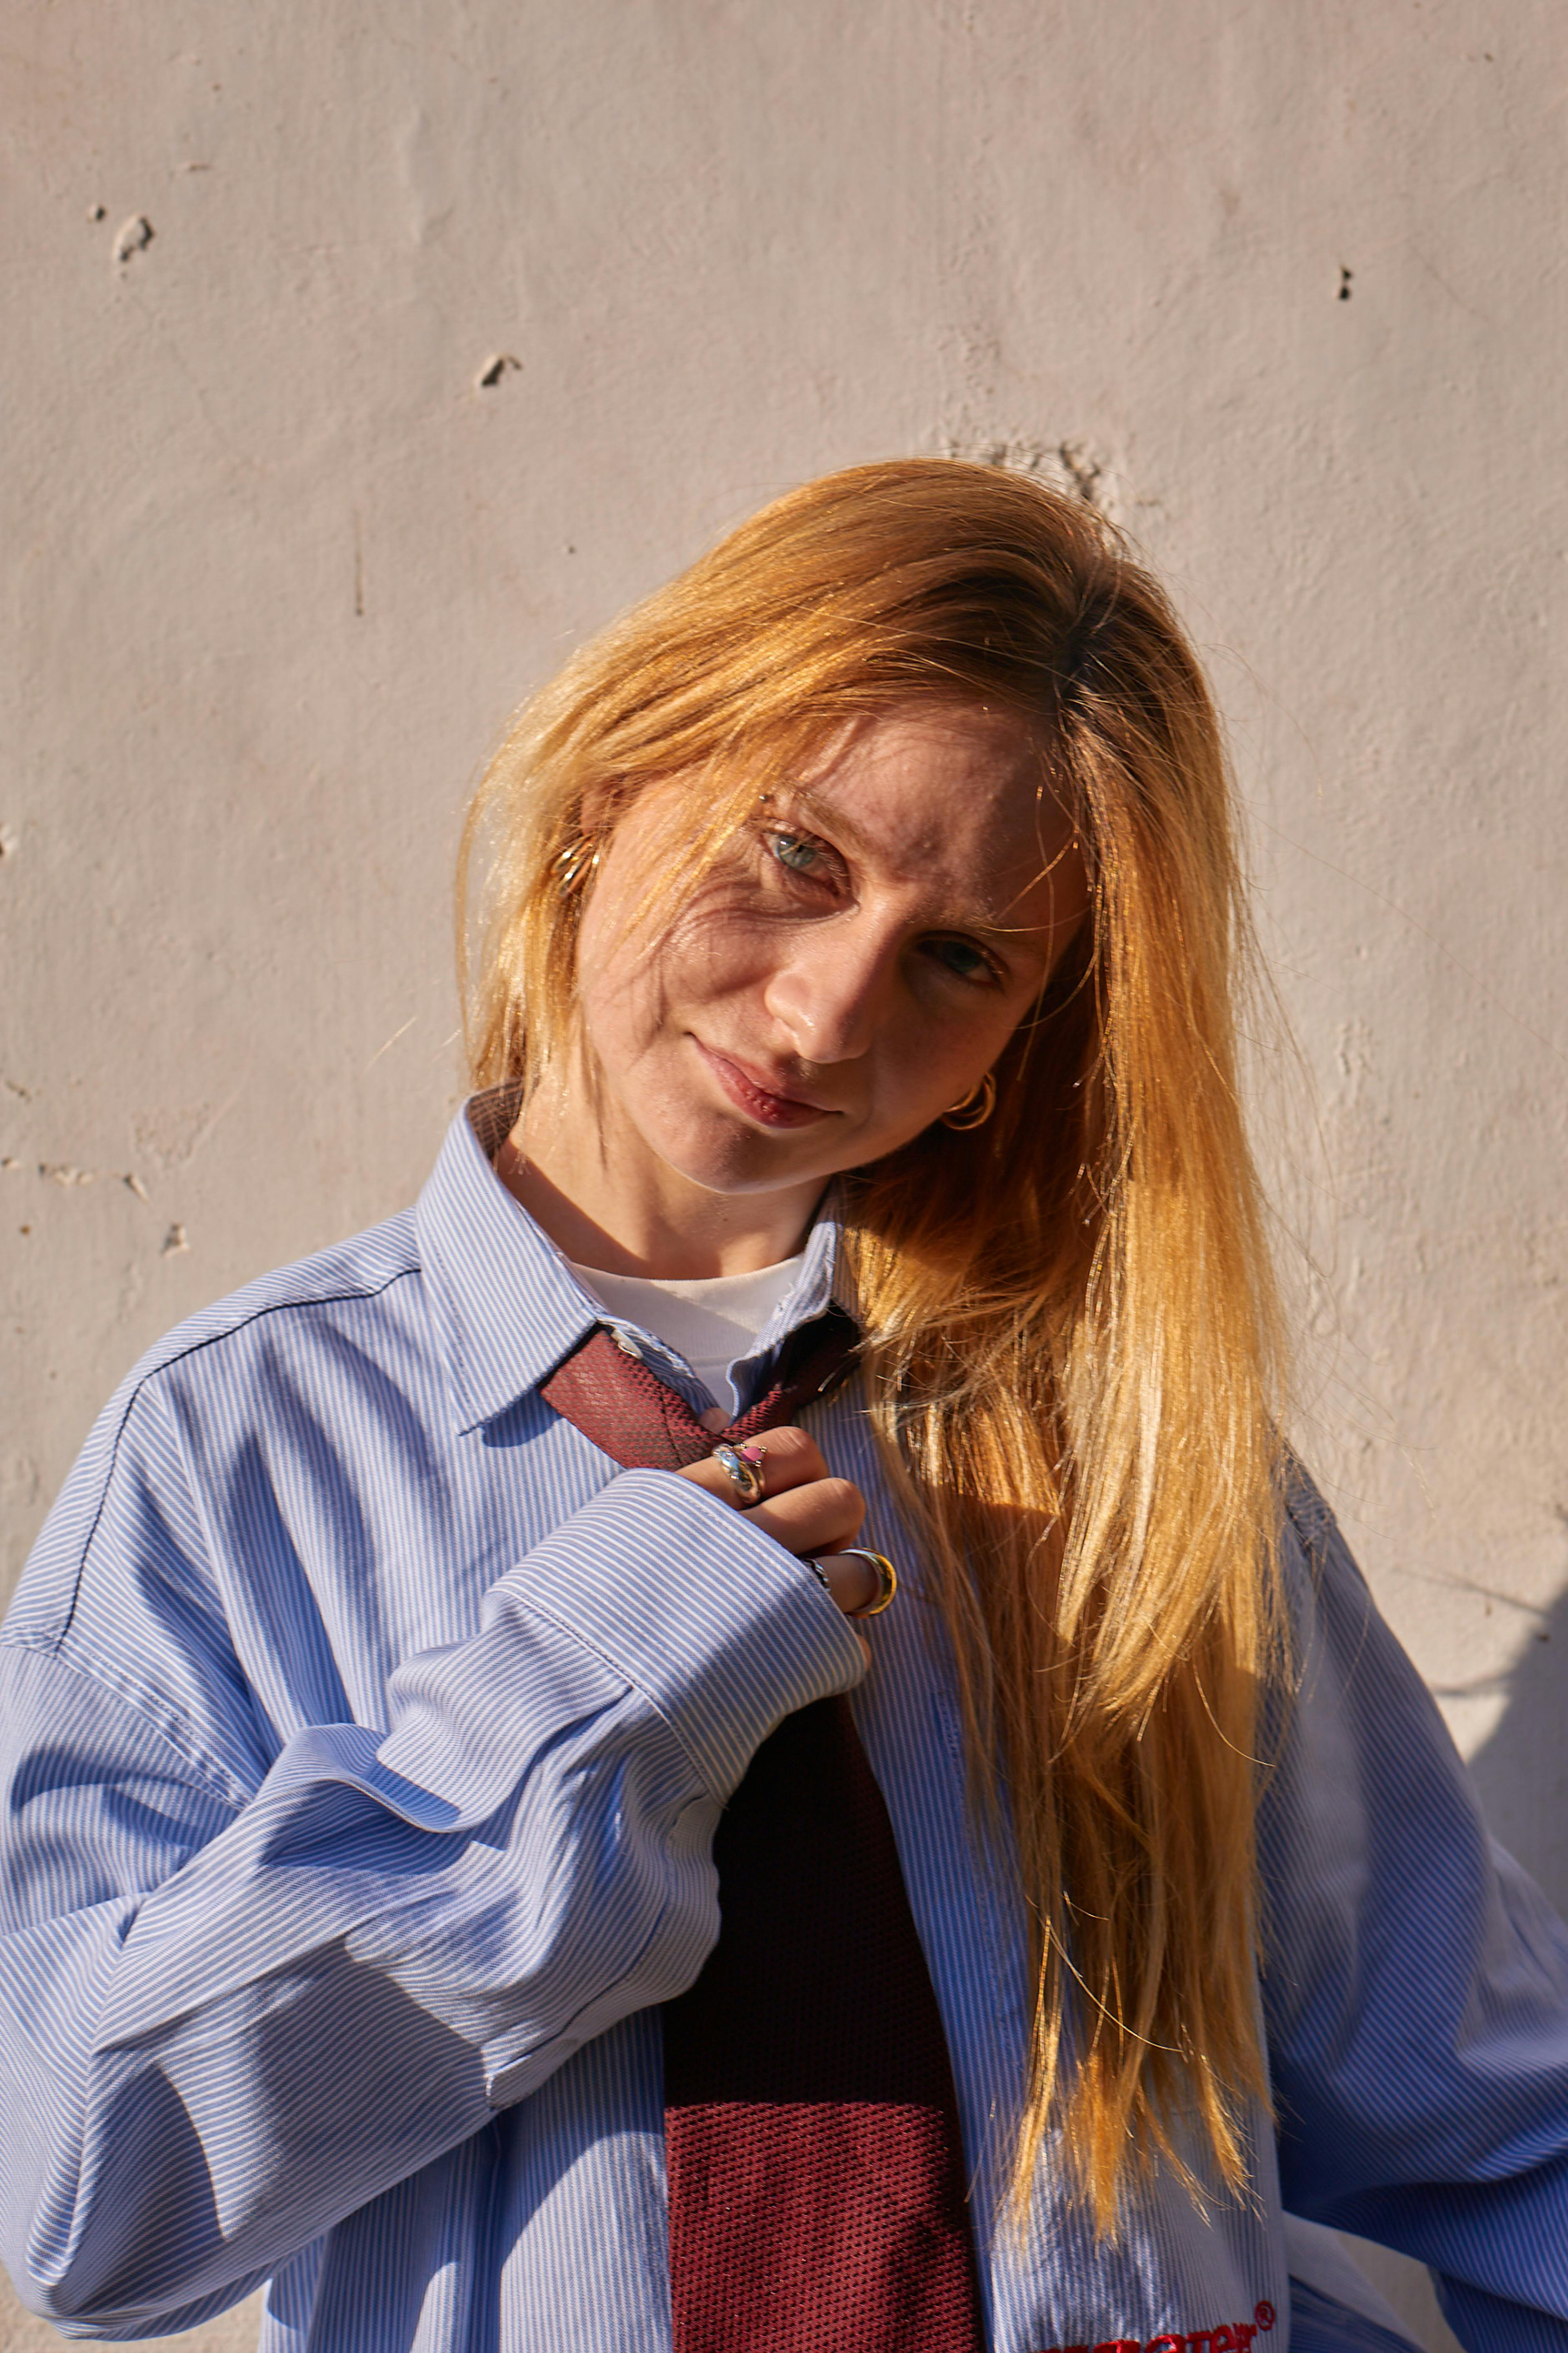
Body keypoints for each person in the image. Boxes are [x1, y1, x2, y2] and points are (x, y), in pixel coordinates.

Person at [2, 459, 1565, 2353]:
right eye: (796, 857)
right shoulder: (240, 1454)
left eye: (959, 957)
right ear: (609, 788)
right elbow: (87, 2199)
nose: (825, 1017)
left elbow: (1503, 2138)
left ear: (1022, 1040)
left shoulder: (1132, 1455)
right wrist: (601, 1690)